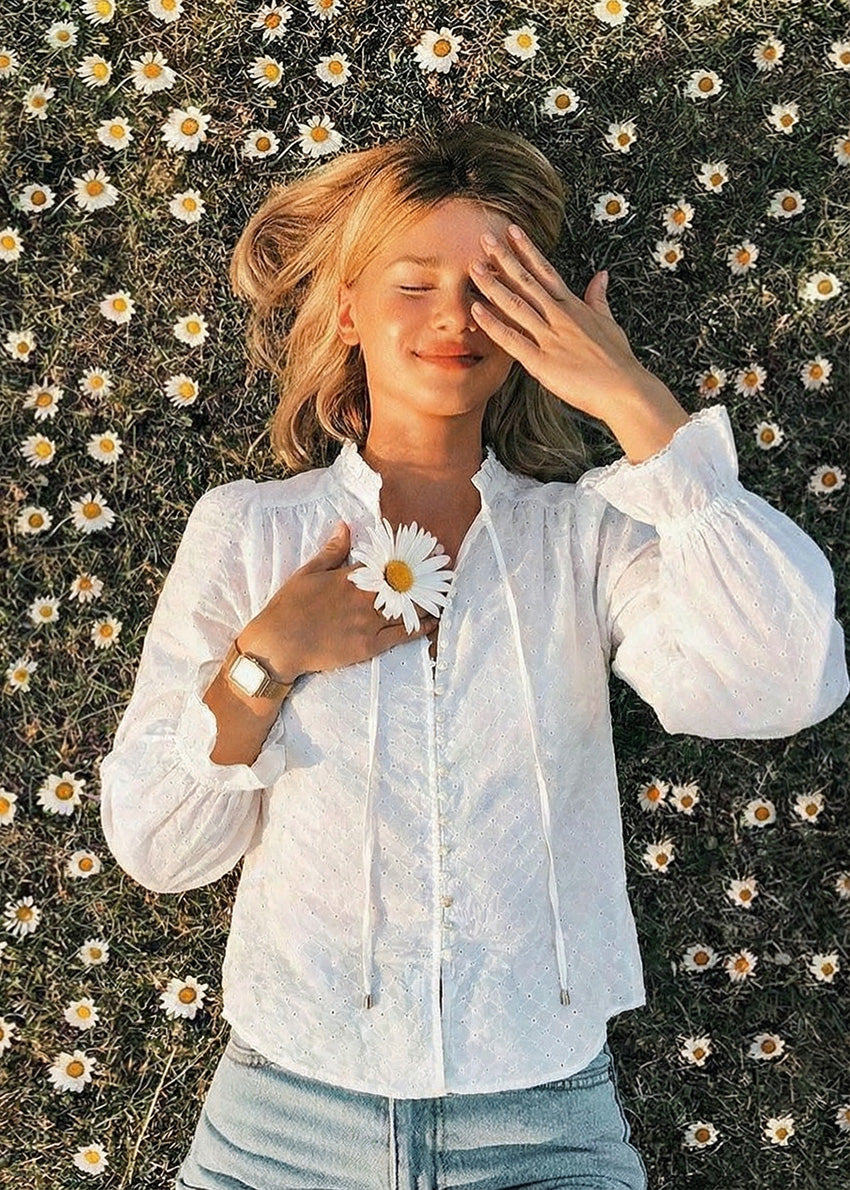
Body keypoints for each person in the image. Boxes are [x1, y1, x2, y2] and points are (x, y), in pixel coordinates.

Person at [98, 123, 849, 1190]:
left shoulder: (585, 537)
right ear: (349, 306)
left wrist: (636, 403)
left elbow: (785, 679)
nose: (453, 317)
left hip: (544, 1122)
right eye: (415, 283)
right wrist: (261, 661)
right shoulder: (248, 533)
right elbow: (161, 849)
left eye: (493, 287)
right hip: (284, 1116)